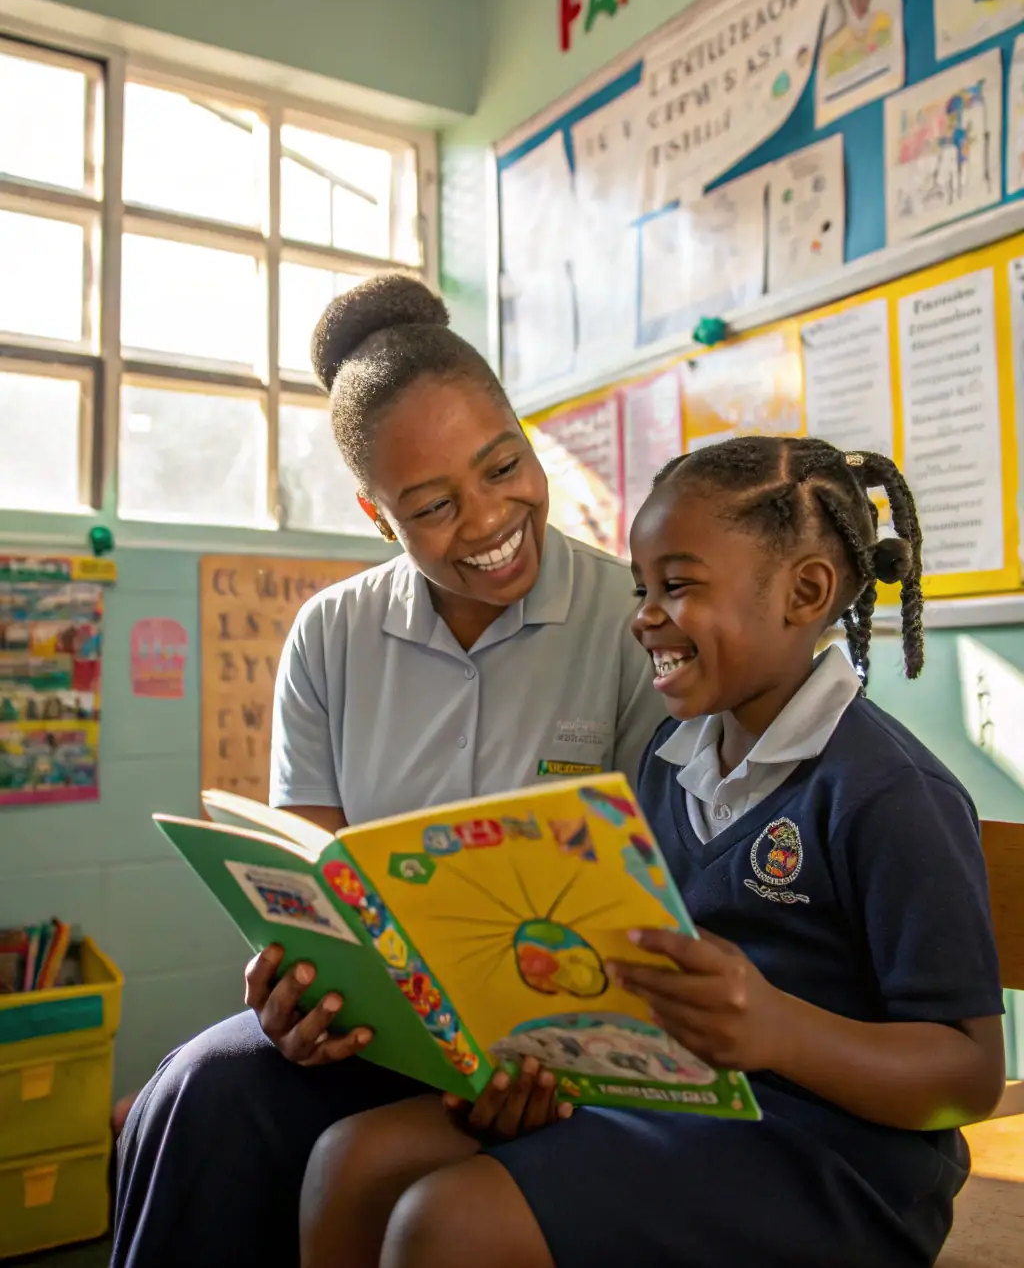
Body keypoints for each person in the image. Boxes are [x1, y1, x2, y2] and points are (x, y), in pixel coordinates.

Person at [297, 435, 1006, 1268]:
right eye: (642, 588)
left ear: (804, 591)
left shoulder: (887, 792)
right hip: (677, 1101)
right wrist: (544, 1058)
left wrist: (779, 1030)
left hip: (837, 1159)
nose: (643, 615)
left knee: (448, 1221)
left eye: (678, 586)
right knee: (351, 1161)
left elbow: (967, 1073)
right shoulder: (668, 761)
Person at [111, 275, 665, 1268]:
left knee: (354, 1159)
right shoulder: (331, 633)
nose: (492, 518)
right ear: (376, 514)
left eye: (504, 466)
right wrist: (292, 985)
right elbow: (303, 877)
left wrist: (558, 1050)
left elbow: (655, 909)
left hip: (565, 1047)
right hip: (382, 1035)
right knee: (193, 1095)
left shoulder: (634, 620)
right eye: (434, 505)